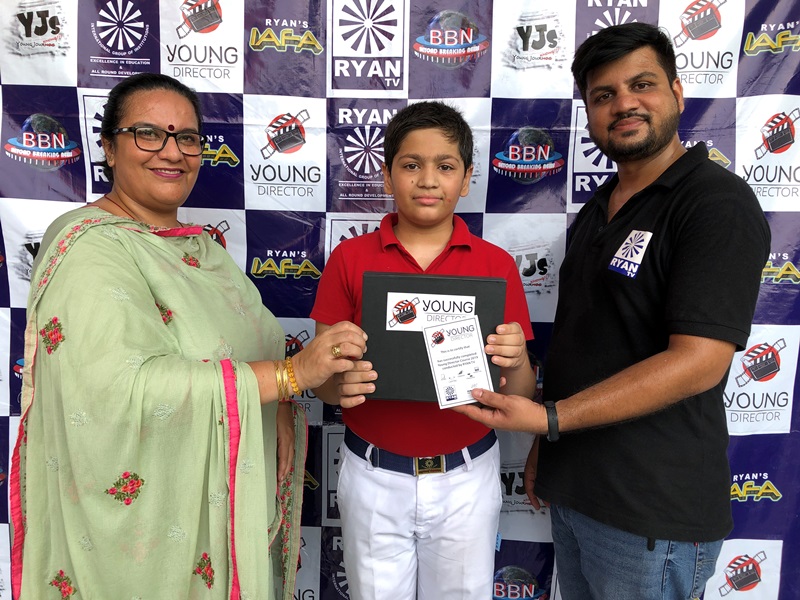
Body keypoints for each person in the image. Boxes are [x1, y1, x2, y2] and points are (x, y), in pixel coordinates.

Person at [9, 72, 368, 599]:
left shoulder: (202, 250)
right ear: (108, 146)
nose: (172, 152)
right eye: (148, 134)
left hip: (216, 515)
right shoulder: (90, 249)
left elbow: (255, 352)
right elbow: (119, 390)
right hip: (143, 540)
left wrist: (285, 398)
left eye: (188, 138)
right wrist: (289, 375)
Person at [453, 22, 770, 600]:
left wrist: (550, 420)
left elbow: (700, 361)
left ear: (677, 93)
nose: (624, 104)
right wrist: (550, 443)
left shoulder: (715, 203)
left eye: (641, 85)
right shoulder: (599, 208)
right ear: (590, 114)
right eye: (604, 95)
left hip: (651, 516)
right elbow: (588, 342)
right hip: (578, 494)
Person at [310, 101, 536, 600]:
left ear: (467, 178)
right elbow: (321, 382)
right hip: (373, 477)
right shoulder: (349, 258)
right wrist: (338, 382)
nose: (428, 180)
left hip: (466, 477)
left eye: (446, 166)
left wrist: (518, 360)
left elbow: (520, 395)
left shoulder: (495, 265)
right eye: (411, 165)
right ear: (387, 176)